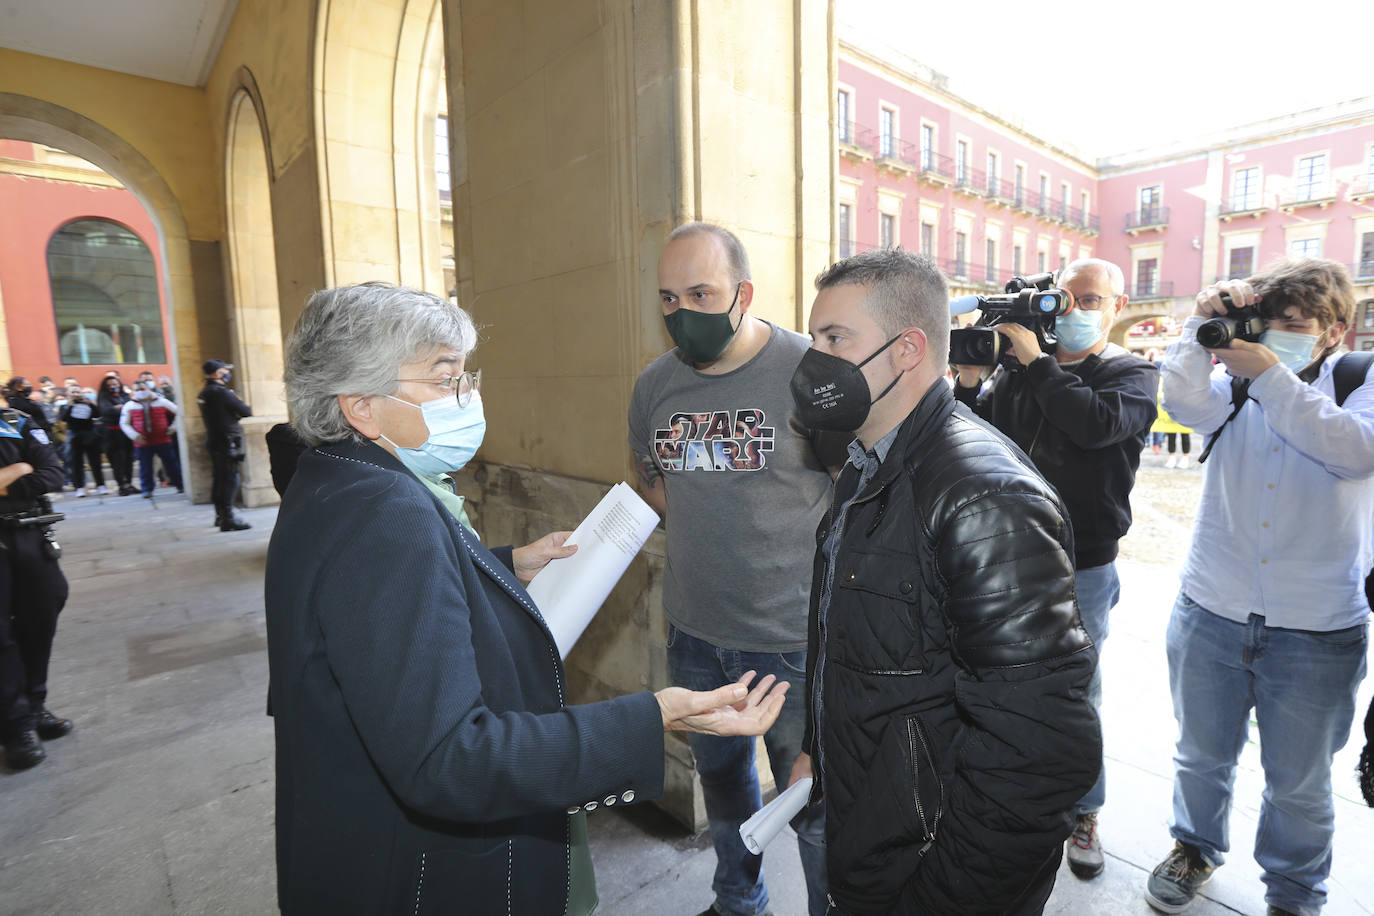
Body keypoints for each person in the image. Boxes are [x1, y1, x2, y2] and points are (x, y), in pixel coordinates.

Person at [265, 281, 789, 915]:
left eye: (466, 376)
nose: (467, 398)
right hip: (422, 878)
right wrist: (657, 716)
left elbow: (373, 606)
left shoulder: (332, 480)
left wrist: (507, 563)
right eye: (443, 379)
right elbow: (451, 758)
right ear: (362, 407)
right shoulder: (388, 512)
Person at [789, 247, 1100, 916]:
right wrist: (821, 754)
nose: (812, 360)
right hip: (868, 828)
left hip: (927, 872)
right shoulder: (863, 463)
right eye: (813, 337)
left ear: (907, 350)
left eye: (833, 339)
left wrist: (946, 899)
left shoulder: (984, 495)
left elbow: (1037, 753)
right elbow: (853, 644)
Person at [1146, 258, 1373, 916]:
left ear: (1335, 331)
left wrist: (1271, 377)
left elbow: (1354, 449)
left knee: (1298, 785)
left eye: (1296, 325)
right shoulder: (1238, 386)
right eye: (1268, 323)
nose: (1278, 335)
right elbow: (1183, 403)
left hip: (1318, 626)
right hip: (1211, 606)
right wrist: (1201, 323)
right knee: (1200, 755)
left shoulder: (1358, 380)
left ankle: (1294, 893)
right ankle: (1193, 847)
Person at [628, 222, 835, 916]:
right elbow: (648, 478)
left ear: (743, 294)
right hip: (695, 634)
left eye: (700, 292)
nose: (681, 312)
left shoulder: (809, 372)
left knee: (813, 808)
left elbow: (855, 496)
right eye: (667, 296)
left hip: (793, 645)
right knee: (722, 783)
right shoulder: (653, 385)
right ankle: (738, 900)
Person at [952, 257, 1158, 880]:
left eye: (1090, 299)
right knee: (996, 677)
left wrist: (1038, 363)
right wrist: (967, 383)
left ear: (1116, 306)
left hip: (1083, 567)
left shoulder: (1133, 374)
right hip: (1005, 554)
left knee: (1076, 692)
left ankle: (1083, 811)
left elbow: (1094, 427)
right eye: (1063, 297)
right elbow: (972, 438)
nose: (1073, 309)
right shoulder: (1018, 373)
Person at [0, 401, 72, 770]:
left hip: (28, 532)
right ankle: (16, 727)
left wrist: (10, 476)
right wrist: (20, 468)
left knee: (43, 611)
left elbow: (53, 474)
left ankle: (34, 704)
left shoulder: (19, 422)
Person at [197, 359, 252, 531]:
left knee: (220, 479)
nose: (227, 373)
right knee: (230, 479)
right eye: (224, 370)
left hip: (215, 440)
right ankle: (228, 519)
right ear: (217, 373)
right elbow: (246, 411)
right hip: (227, 442)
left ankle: (220, 516)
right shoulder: (222, 393)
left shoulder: (205, 392)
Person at [119, 380, 183, 497]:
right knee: (145, 466)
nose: (140, 392)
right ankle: (147, 489)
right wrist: (135, 436)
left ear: (148, 389)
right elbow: (124, 423)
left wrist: (174, 427)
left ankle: (180, 485)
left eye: (142, 389)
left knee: (171, 464)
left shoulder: (161, 402)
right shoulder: (130, 405)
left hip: (163, 439)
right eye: (137, 390)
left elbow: (179, 413)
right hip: (142, 442)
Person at [60, 385, 107, 496]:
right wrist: (71, 405)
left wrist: (90, 403)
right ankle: (80, 487)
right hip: (75, 436)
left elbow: (97, 415)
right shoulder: (65, 406)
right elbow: (64, 418)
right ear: (69, 394)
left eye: (78, 392)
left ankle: (101, 485)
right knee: (77, 463)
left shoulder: (87, 403)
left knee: (95, 462)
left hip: (90, 434)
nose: (76, 394)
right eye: (73, 392)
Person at [96, 375, 136, 495]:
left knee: (129, 458)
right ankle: (121, 485)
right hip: (111, 433)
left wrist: (120, 408)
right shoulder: (103, 398)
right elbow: (106, 411)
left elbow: (131, 408)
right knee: (117, 460)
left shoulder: (125, 396)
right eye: (110, 385)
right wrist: (122, 409)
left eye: (115, 384)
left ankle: (129, 483)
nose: (113, 387)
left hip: (126, 432)